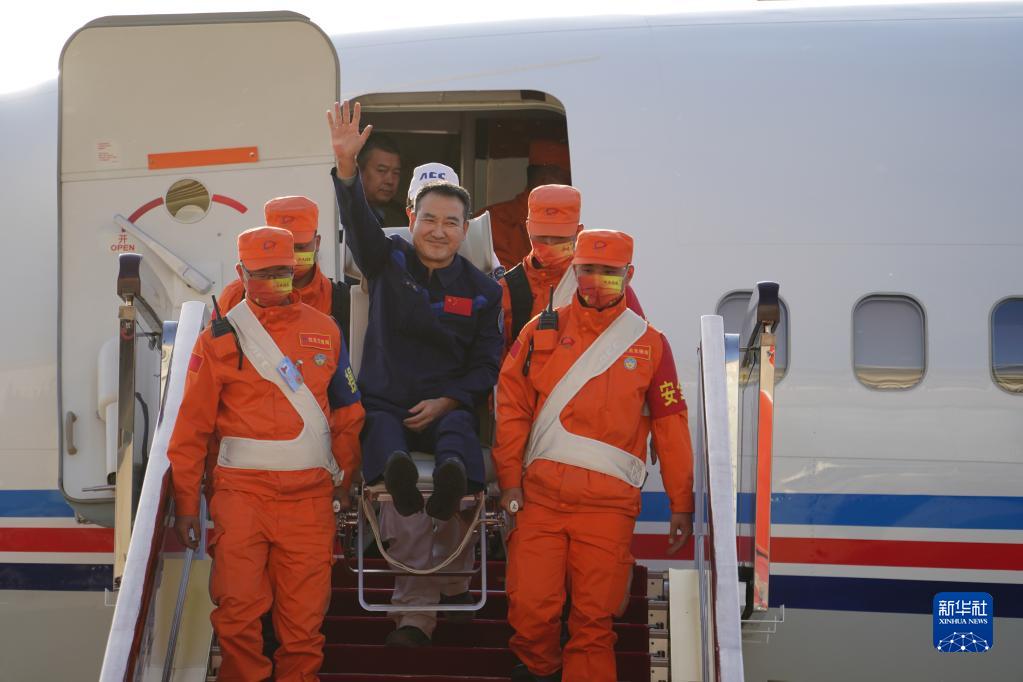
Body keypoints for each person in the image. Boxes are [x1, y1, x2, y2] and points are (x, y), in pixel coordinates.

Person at [327, 100, 503, 646]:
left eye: (451, 223)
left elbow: (487, 363)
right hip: (388, 404)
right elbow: (359, 225)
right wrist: (347, 166)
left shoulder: (483, 291)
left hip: (448, 406)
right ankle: (415, 614)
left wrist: (450, 400)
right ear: (411, 221)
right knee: (391, 463)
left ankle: (452, 572)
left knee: (458, 460)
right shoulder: (387, 262)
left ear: (465, 230)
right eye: (429, 219)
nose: (439, 231)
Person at [494, 230, 695, 682]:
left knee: (594, 620)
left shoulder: (651, 345)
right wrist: (508, 481)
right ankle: (541, 669)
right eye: (587, 269)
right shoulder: (537, 331)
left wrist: (681, 502)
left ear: (629, 274)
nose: (597, 279)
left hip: (608, 508)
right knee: (530, 608)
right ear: (574, 270)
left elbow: (671, 427)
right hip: (540, 500)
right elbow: (511, 410)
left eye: (609, 271)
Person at [168, 226, 364, 681]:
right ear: (241, 273)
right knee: (237, 613)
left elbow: (348, 414)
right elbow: (192, 428)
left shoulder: (327, 331)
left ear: (295, 269)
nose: (272, 281)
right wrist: (186, 505)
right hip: (241, 498)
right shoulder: (217, 339)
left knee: (304, 624)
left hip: (309, 500)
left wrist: (345, 480)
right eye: (261, 274)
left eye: (281, 272)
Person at [499, 184, 644, 355]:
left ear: (578, 231)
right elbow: (496, 359)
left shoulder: (606, 284)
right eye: (542, 237)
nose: (550, 243)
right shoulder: (506, 288)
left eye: (559, 238)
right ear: (528, 228)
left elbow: (638, 340)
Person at [482, 140, 570, 268]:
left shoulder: (572, 225)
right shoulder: (489, 222)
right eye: (569, 180)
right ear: (546, 180)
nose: (575, 190)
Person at [358, 132, 406, 226]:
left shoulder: (401, 215)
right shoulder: (344, 211)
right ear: (359, 171)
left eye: (396, 172)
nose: (390, 181)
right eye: (381, 170)